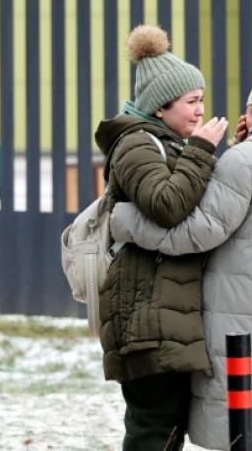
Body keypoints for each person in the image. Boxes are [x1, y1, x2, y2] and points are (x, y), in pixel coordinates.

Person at [110, 69, 252, 450]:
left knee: (238, 423)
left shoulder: (247, 160)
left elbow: (196, 233)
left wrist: (125, 220)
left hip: (240, 313)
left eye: (250, 103)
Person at [93, 24, 228, 451]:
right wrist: (202, 152)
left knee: (165, 428)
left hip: (163, 312)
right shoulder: (136, 144)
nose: (200, 111)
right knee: (153, 428)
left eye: (201, 100)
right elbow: (167, 204)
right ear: (161, 106)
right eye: (192, 101)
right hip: (146, 316)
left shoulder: (166, 144)